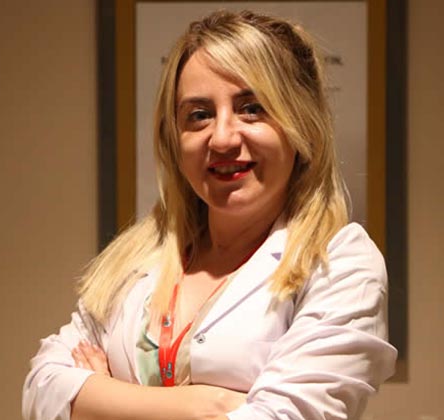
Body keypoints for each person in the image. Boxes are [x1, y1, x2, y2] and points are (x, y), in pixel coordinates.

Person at [22, 9, 396, 420]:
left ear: (301, 124)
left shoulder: (341, 264)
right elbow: (43, 388)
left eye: (252, 108)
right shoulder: (135, 257)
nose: (222, 138)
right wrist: (204, 406)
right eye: (199, 115)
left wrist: (105, 401)